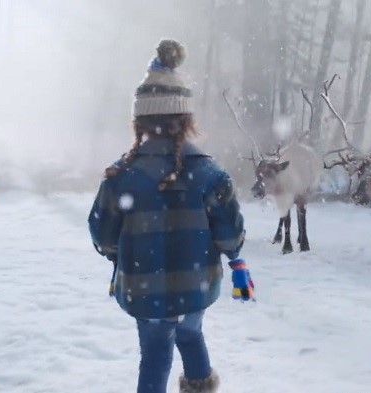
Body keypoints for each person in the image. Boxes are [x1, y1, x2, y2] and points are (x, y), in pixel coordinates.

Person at [88, 39, 255, 393]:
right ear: (186, 119)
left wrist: (122, 254)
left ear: (140, 121)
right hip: (195, 288)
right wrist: (233, 254)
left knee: (154, 352)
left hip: (143, 291)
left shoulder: (120, 176)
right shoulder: (210, 173)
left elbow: (102, 237)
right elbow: (230, 236)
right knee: (191, 334)